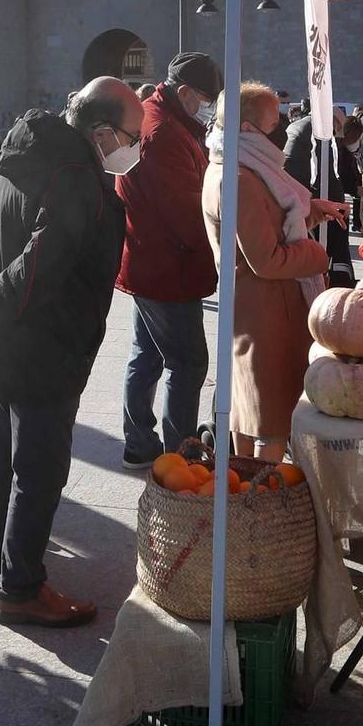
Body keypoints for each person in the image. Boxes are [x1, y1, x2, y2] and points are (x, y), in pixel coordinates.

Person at [0, 77, 140, 626]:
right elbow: (41, 267)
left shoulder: (20, 145)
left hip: (2, 339)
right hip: (45, 345)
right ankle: (21, 587)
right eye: (132, 136)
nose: (135, 149)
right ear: (102, 133)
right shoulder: (76, 177)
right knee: (39, 469)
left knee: (4, 457)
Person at [202, 81, 342, 461]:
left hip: (262, 309)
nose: (280, 130)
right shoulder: (239, 177)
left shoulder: (241, 164)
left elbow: (272, 222)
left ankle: (249, 497)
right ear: (248, 130)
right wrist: (316, 256)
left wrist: (313, 210)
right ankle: (262, 503)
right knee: (268, 420)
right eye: (273, 124)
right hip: (264, 314)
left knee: (253, 414)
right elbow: (266, 258)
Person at [116, 50, 220, 466]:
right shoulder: (162, 133)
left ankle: (139, 441)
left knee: (148, 353)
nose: (206, 107)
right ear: (183, 92)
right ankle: (180, 454)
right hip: (166, 266)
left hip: (151, 261)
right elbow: (184, 213)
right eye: (203, 98)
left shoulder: (159, 118)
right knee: (188, 361)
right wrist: (218, 254)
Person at [283, 106, 360, 287]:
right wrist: (336, 205)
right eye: (337, 127)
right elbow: (327, 174)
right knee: (329, 248)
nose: (337, 133)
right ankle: (337, 283)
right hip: (307, 198)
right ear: (332, 121)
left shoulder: (300, 125)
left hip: (297, 194)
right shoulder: (318, 135)